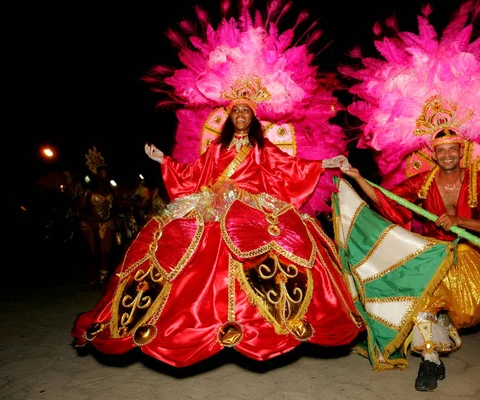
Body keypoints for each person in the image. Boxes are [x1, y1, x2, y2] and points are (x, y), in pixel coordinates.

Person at [71, 83, 364, 368]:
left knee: (274, 247)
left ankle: (264, 321)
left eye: (245, 111)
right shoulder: (216, 148)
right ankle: (187, 320)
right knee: (180, 244)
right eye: (235, 111)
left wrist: (324, 164)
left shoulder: (263, 148)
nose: (240, 115)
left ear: (253, 118)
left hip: (252, 207)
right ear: (229, 117)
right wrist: (165, 161)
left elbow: (291, 166)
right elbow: (193, 172)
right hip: (211, 204)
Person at [341, 127, 480, 391]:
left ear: (462, 151)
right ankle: (429, 359)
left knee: (464, 313)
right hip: (432, 256)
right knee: (423, 306)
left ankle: (442, 334)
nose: (447, 155)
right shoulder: (423, 182)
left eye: (452, 149)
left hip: (468, 257)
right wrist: (358, 178)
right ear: (434, 154)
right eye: (441, 150)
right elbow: (387, 201)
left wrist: (459, 220)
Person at [77, 147, 121, 287]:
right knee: (92, 252)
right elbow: (78, 209)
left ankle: (104, 276)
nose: (105, 176)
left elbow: (116, 207)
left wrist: (115, 218)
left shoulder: (110, 190)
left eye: (107, 174)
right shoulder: (88, 191)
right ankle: (92, 277)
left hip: (106, 223)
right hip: (90, 223)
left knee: (106, 253)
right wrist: (90, 221)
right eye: (103, 173)